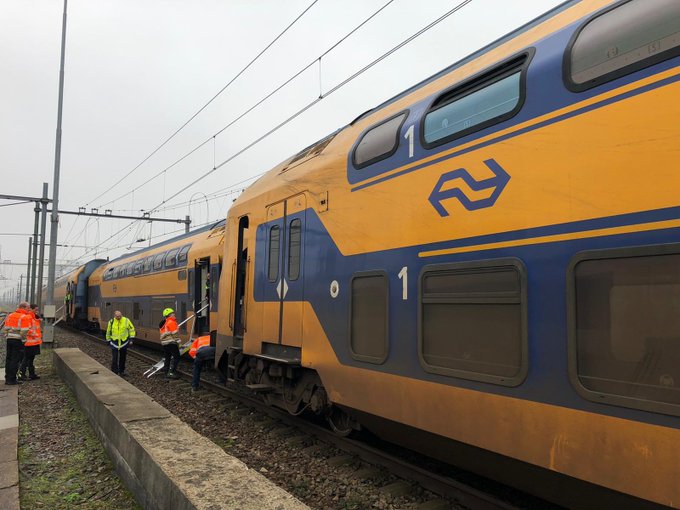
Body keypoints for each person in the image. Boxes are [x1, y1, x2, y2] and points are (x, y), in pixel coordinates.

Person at [2, 302, 31, 385]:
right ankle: (12, 379)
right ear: (23, 307)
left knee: (9, 359)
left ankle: (8, 378)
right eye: (28, 308)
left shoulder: (11, 315)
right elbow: (24, 331)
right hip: (17, 340)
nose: (28, 310)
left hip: (9, 339)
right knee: (15, 360)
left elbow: (6, 328)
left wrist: (8, 335)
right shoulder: (24, 317)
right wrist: (24, 340)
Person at [106, 310, 135, 376]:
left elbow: (131, 329)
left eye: (120, 316)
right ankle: (114, 372)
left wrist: (131, 339)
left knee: (123, 358)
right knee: (115, 358)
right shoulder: (111, 322)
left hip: (124, 342)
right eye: (117, 316)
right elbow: (108, 331)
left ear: (121, 315)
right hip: (114, 343)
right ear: (114, 316)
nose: (119, 317)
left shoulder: (126, 320)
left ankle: (121, 371)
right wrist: (108, 340)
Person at [18, 304, 42, 381]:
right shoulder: (28, 317)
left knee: (31, 359)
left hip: (34, 342)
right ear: (31, 309)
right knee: (26, 359)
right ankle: (21, 374)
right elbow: (27, 329)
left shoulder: (33, 317)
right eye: (35, 310)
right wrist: (36, 335)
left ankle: (32, 374)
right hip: (29, 342)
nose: (37, 311)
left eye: (37, 310)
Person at [159, 308, 181, 379]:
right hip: (171, 342)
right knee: (177, 357)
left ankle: (166, 372)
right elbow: (175, 334)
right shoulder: (171, 322)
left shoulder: (164, 323)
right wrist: (178, 342)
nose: (174, 314)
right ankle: (171, 372)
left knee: (167, 357)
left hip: (165, 343)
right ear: (169, 315)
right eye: (172, 313)